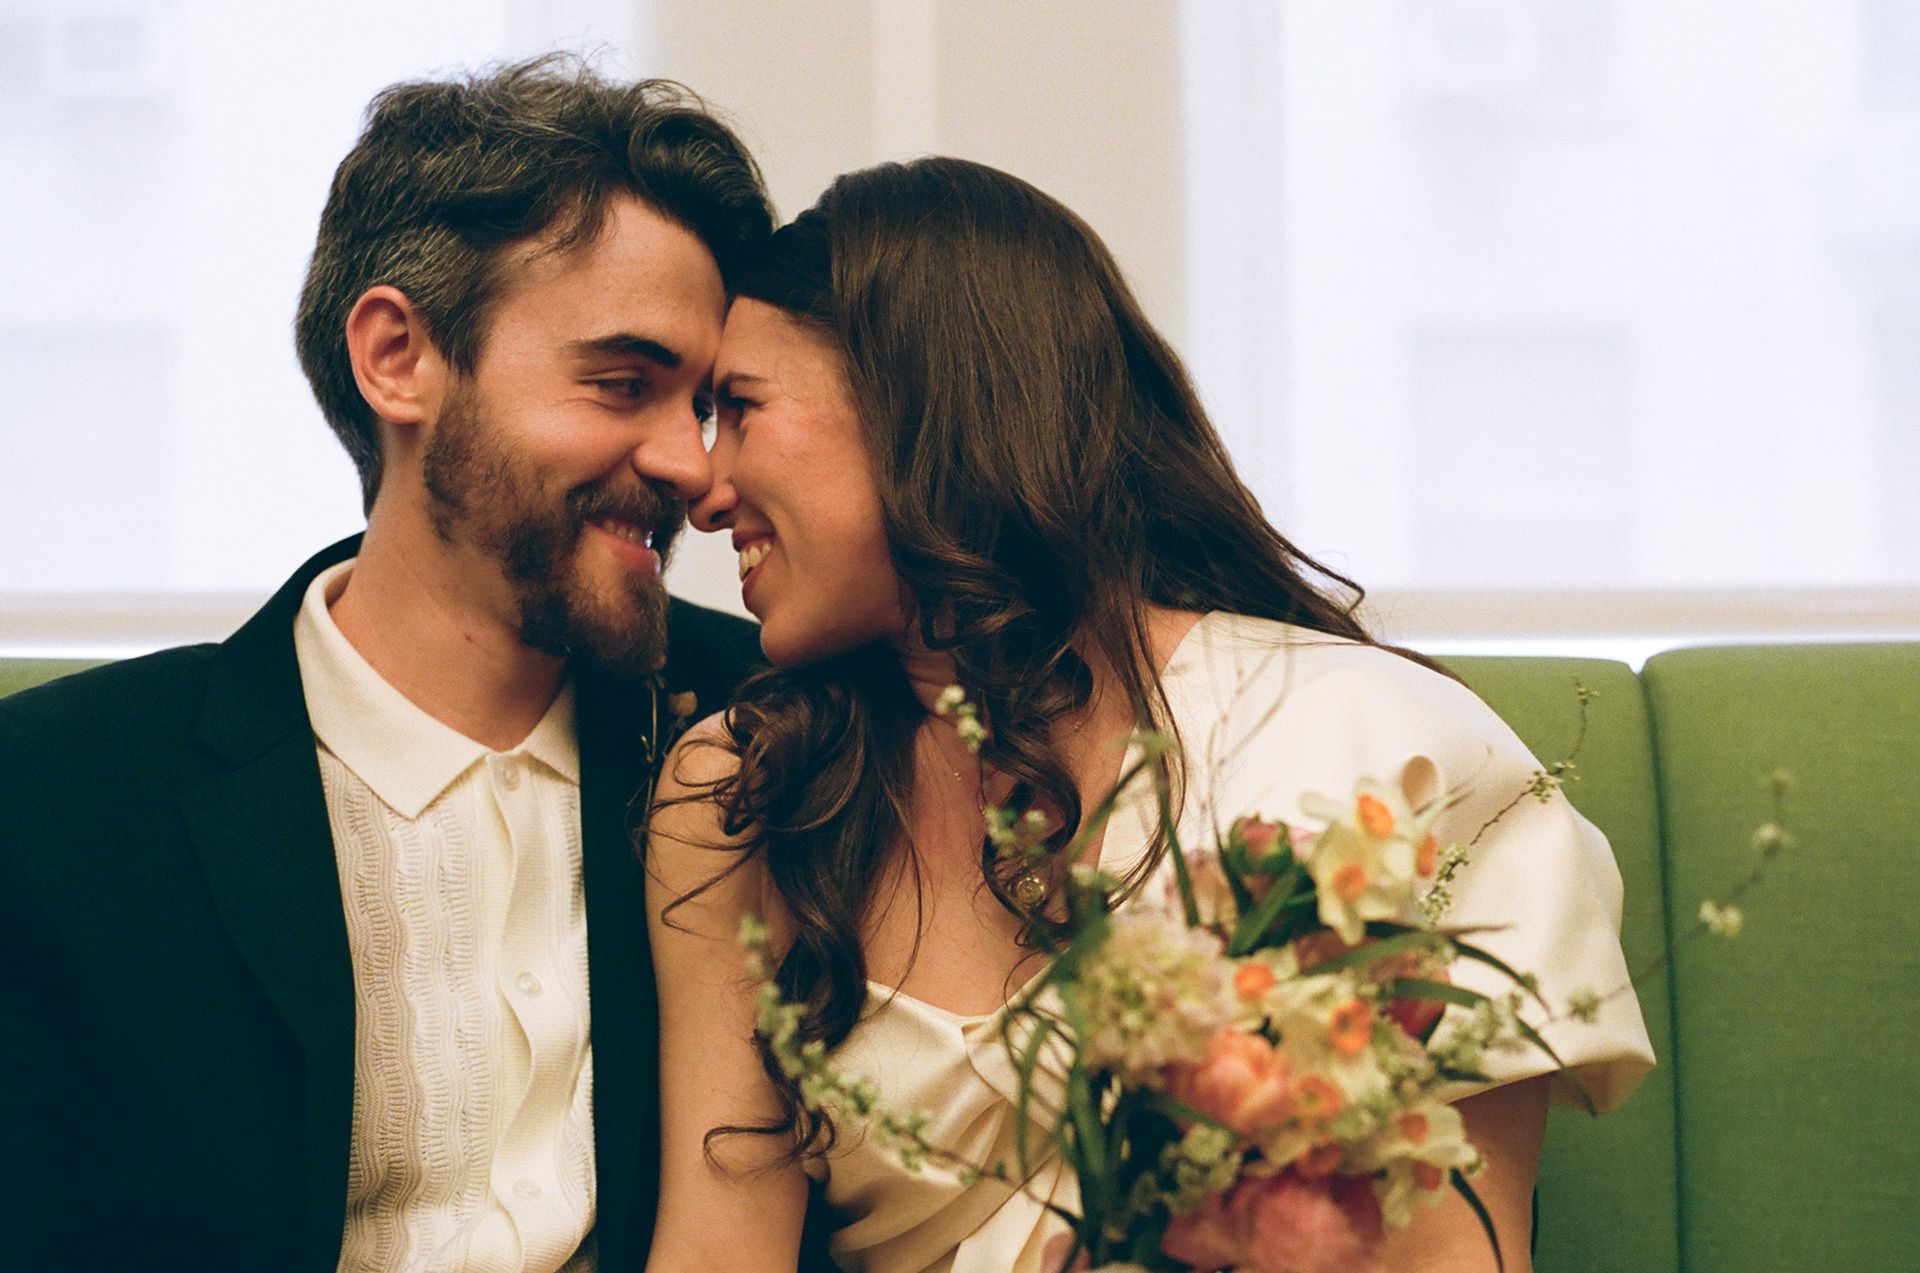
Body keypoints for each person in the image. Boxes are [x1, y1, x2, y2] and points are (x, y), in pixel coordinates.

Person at [644, 158, 1656, 1273]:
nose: (700, 483)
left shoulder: (1374, 749)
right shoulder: (744, 790)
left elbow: (1450, 1256)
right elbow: (715, 1244)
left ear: (916, 399)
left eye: (737, 409)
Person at [0, 60, 772, 1272]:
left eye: (708, 407)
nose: (691, 466)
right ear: (397, 356)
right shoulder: (57, 799)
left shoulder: (775, 735)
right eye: (625, 384)